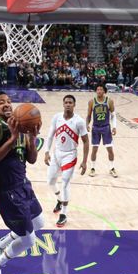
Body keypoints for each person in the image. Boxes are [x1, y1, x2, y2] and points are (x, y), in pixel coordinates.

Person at [0, 92, 44, 274]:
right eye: (1, 102)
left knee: (39, 222)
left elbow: (32, 159)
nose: (7, 104)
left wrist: (32, 137)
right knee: (29, 241)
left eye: (9, 101)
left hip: (24, 185)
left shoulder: (21, 127)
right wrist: (12, 138)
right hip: (8, 192)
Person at [45, 94, 89, 228]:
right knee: (51, 181)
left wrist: (84, 161)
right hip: (56, 153)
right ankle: (59, 200)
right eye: (66, 102)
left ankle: (63, 214)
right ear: (63, 104)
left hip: (70, 155)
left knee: (64, 183)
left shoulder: (79, 121)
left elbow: (86, 142)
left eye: (70, 102)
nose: (68, 104)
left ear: (74, 105)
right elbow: (50, 135)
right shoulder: (57, 117)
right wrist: (46, 151)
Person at [85, 84, 117, 177]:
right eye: (98, 89)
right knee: (94, 149)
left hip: (106, 128)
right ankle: (92, 168)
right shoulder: (91, 102)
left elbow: (113, 115)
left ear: (104, 91)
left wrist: (114, 127)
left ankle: (112, 168)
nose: (99, 91)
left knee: (110, 149)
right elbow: (88, 115)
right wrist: (87, 124)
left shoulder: (109, 101)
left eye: (101, 89)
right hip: (95, 128)